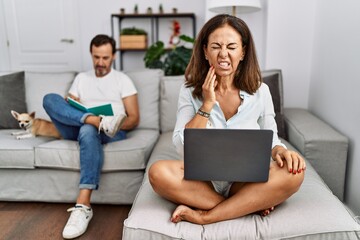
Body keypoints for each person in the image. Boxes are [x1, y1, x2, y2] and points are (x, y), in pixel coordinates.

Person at [148, 14, 305, 225]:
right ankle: (246, 204)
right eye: (215, 46)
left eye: (231, 47)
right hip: (201, 182)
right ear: (205, 51)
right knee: (157, 172)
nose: (223, 54)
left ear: (243, 52)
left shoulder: (261, 91)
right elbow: (180, 146)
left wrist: (282, 152)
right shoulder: (189, 91)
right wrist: (206, 106)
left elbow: (272, 140)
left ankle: (207, 216)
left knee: (294, 173)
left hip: (244, 181)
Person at [43, 34, 139, 239]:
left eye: (105, 58)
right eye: (96, 57)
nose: (100, 63)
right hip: (79, 127)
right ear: (91, 54)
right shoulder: (81, 78)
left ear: (113, 56)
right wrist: (90, 117)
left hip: (111, 131)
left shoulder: (123, 80)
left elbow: (134, 119)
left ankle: (83, 206)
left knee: (88, 130)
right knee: (50, 99)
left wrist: (111, 122)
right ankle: (94, 120)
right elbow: (68, 109)